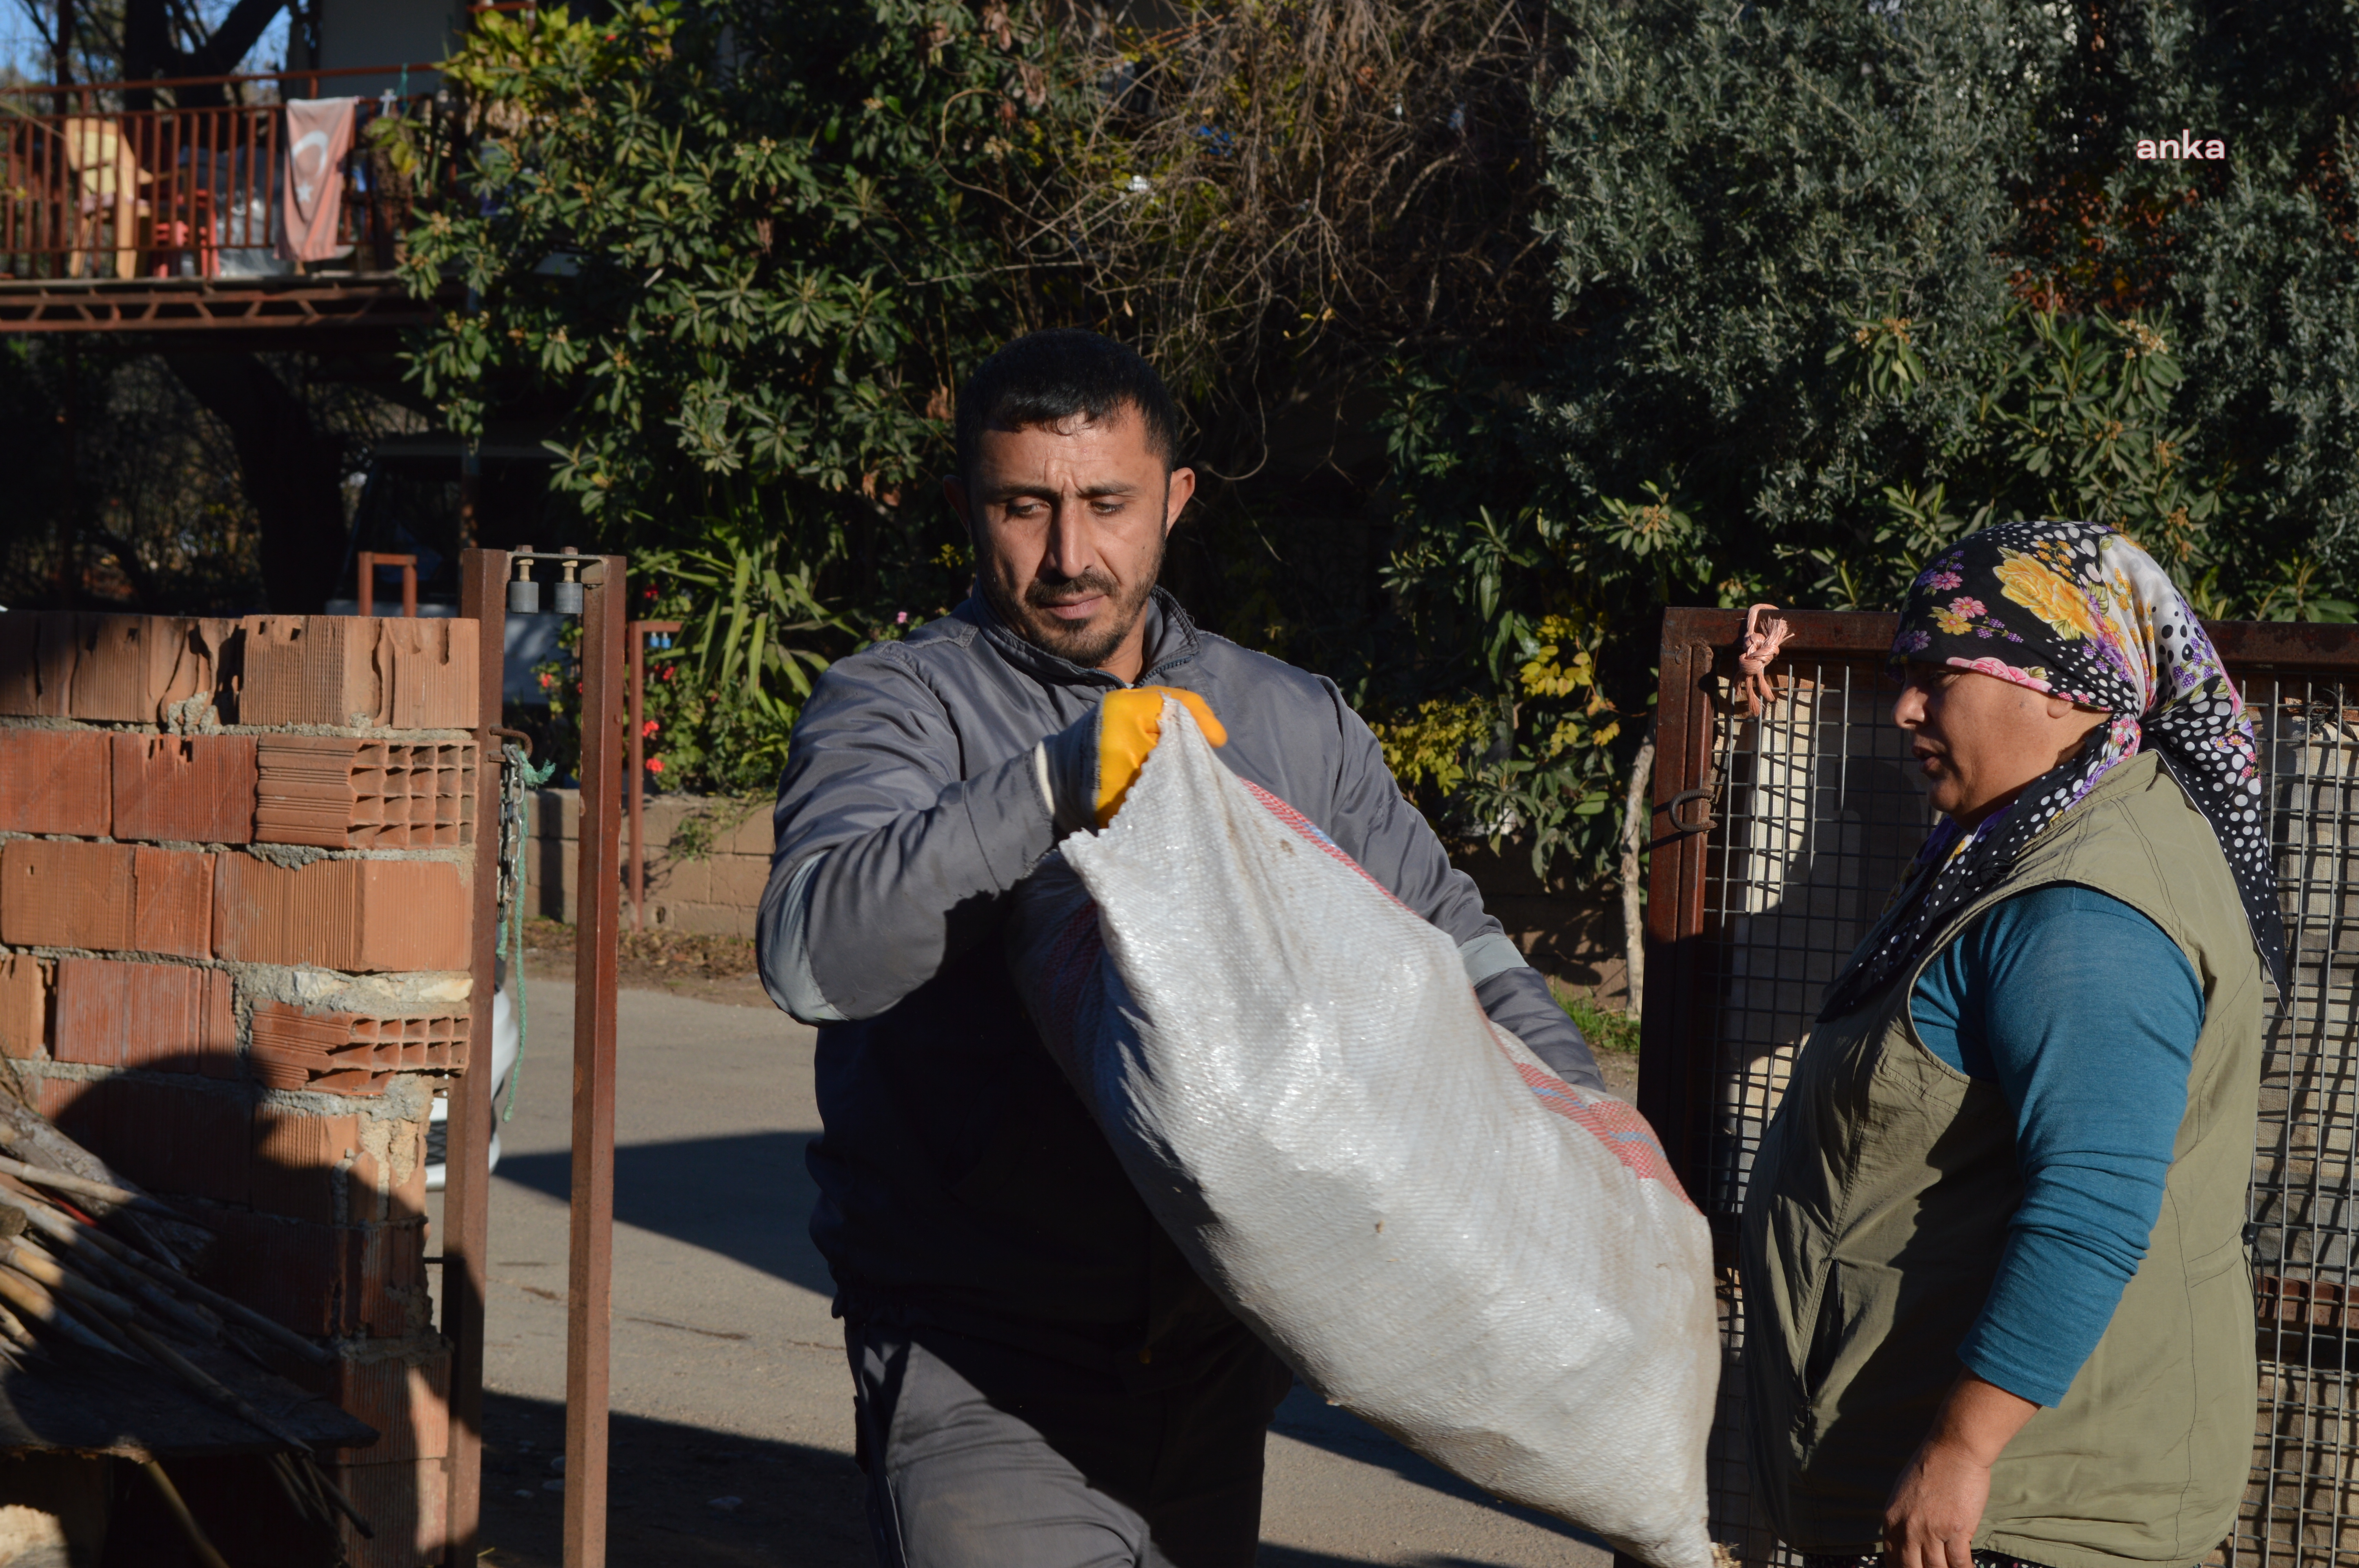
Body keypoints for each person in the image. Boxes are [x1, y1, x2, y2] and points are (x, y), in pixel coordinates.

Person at [756, 327, 1603, 1568]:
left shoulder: (1287, 719)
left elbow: (1454, 943)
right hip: (984, 1362)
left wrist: (1582, 1117)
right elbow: (814, 957)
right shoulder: (901, 707)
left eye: (1107, 504)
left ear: (1176, 500)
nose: (1068, 556)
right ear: (965, 509)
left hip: (1215, 1370)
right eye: (1023, 507)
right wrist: (1049, 786)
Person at [1741, 519, 2284, 1568]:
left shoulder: (2086, 913)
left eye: (1939, 676)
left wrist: (1962, 1447)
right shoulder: (2028, 839)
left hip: (2021, 1518)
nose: (1902, 706)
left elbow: (2092, 1207)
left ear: (2065, 690)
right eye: (1905, 674)